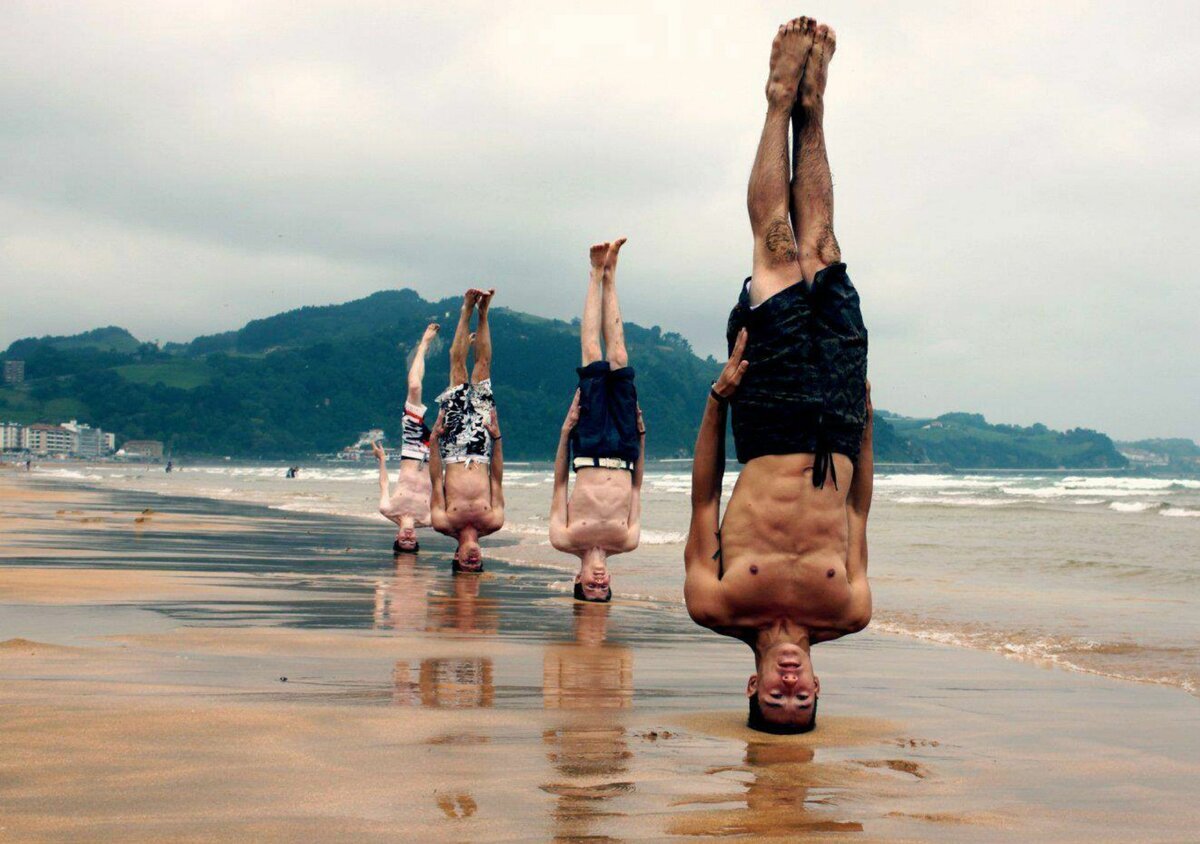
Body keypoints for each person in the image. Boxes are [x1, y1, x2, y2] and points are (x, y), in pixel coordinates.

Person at [684, 17, 874, 734]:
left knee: (777, 250)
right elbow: (859, 512)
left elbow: (705, 499)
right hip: (837, 420)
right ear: (819, 687)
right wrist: (864, 423)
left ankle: (776, 102)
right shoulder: (849, 611)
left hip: (764, 422)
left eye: (776, 699)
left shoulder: (716, 604)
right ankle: (814, 111)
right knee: (823, 245)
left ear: (751, 687)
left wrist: (717, 401)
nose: (789, 687)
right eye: (802, 700)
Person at [549, 239, 646, 602]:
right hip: (624, 448)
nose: (599, 582)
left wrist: (566, 430)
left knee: (592, 355)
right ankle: (612, 272)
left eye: (591, 587)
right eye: (603, 589)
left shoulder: (563, 538)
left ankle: (594, 273)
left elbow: (560, 483)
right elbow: (636, 488)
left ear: (578, 579)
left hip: (588, 447)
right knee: (619, 356)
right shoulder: (628, 541)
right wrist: (641, 438)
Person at [429, 289, 504, 572]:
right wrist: (497, 438)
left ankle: (466, 310)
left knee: (458, 370)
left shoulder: (443, 522)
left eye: (466, 564)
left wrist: (433, 439)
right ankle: (483, 313)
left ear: (456, 557)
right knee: (482, 370)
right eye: (477, 564)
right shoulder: (493, 522)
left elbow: (436, 479)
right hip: (482, 449)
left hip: (453, 449)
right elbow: (496, 478)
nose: (473, 560)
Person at [376, 322, 440, 554]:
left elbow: (384, 483)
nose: (408, 538)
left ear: (397, 537)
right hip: (435, 455)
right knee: (453, 405)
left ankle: (423, 345)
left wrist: (382, 460)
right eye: (412, 543)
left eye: (404, 541)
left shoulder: (387, 509)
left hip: (412, 449)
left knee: (414, 387)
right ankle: (463, 354)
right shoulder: (430, 519)